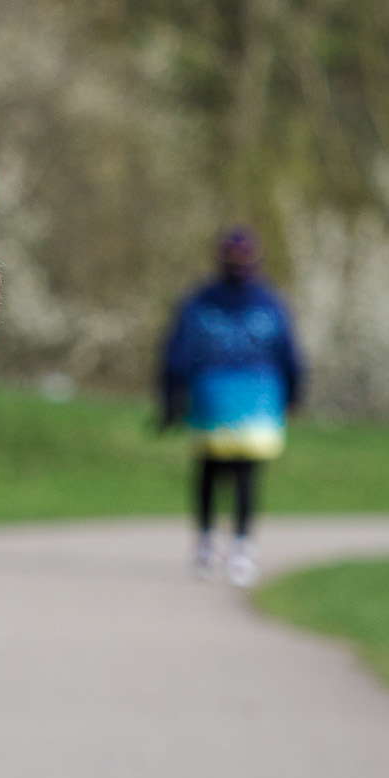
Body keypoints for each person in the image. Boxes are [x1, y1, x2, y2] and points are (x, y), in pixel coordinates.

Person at [160, 225, 304, 586]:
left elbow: (176, 353)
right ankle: (240, 548)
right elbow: (289, 355)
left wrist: (171, 397)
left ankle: (210, 545)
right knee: (243, 474)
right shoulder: (269, 303)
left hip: (216, 396)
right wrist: (295, 394)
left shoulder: (201, 302)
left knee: (212, 471)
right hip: (254, 399)